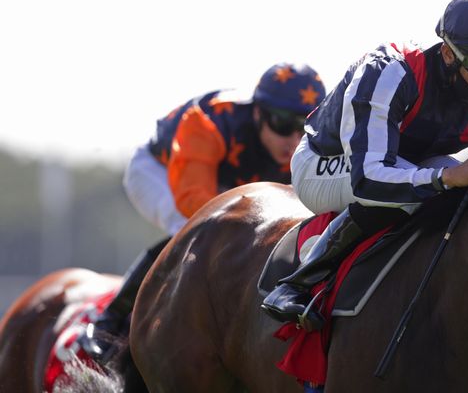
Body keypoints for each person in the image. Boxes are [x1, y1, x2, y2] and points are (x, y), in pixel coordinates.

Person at [261, 0, 468, 331]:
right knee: (426, 189)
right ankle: (297, 283)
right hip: (324, 165)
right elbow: (369, 178)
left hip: (400, 163)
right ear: (449, 54)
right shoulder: (390, 72)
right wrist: (446, 178)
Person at [80, 62, 326, 361]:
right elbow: (195, 204)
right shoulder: (211, 122)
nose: (293, 140)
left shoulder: (311, 146)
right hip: (160, 170)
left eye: (305, 126)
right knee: (193, 232)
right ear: (258, 112)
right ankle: (110, 320)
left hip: (228, 189)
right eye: (283, 123)